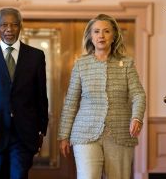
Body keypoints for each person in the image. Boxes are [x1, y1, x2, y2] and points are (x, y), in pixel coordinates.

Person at [58, 14, 146, 179]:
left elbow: (138, 94)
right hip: (84, 132)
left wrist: (137, 118)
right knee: (88, 176)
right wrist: (63, 135)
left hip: (120, 133)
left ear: (114, 36)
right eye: (96, 31)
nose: (101, 35)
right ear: (91, 37)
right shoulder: (81, 64)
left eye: (106, 31)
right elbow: (71, 102)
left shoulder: (127, 63)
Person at [0, 8, 48, 179]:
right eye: (4, 25)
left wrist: (42, 129)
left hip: (24, 134)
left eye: (14, 25)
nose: (9, 29)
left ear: (20, 27)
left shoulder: (36, 56)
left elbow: (41, 95)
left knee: (18, 175)